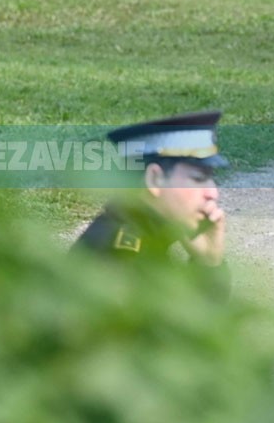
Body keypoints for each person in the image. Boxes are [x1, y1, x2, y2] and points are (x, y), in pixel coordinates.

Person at [72, 111, 232, 300]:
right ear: (154, 179)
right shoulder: (120, 257)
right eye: (198, 179)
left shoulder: (138, 233)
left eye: (211, 179)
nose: (212, 193)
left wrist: (208, 260)